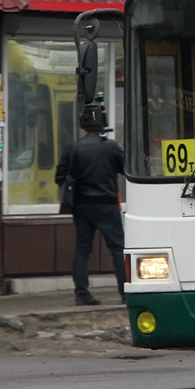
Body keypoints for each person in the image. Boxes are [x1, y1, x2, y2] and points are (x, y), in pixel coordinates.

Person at [56, 103, 125, 306]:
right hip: (107, 203)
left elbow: (60, 176)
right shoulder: (111, 146)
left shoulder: (74, 147)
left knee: (83, 249)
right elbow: (125, 168)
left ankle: (82, 294)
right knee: (118, 248)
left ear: (83, 126)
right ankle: (125, 293)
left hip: (82, 204)